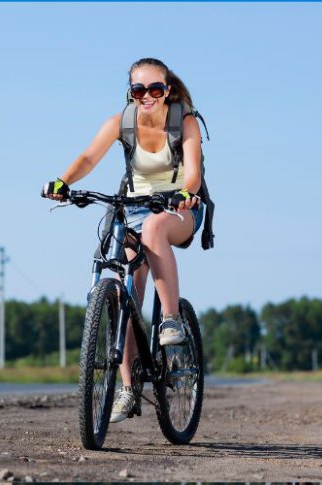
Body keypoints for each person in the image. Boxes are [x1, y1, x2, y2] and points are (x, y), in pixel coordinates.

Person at [43, 58, 204, 423]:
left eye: (155, 89)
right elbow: (88, 157)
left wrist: (183, 193)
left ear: (167, 90)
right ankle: (129, 390)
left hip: (179, 210)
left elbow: (192, 173)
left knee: (153, 230)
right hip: (132, 209)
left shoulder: (185, 122)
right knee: (126, 294)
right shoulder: (122, 122)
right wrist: (63, 182)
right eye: (138, 90)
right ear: (130, 93)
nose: (146, 96)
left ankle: (171, 322)